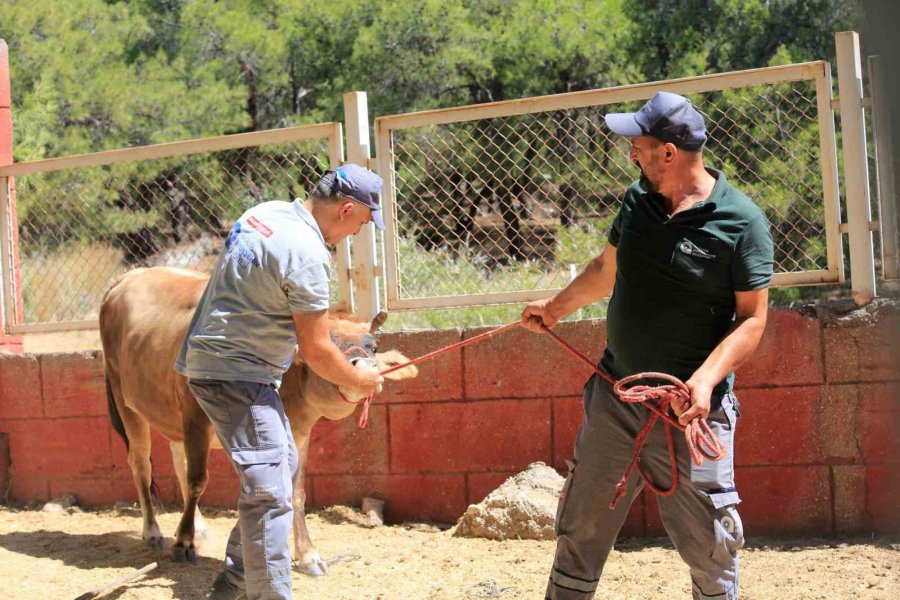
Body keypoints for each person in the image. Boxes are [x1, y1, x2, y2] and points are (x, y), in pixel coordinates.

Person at [522, 91, 774, 600]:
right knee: (580, 526)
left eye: (638, 143)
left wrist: (704, 381)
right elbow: (605, 269)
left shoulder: (741, 222)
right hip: (615, 397)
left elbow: (752, 319)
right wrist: (554, 308)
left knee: (710, 544)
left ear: (669, 152)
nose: (630, 152)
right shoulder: (636, 200)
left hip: (691, 414)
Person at [174, 164, 386, 600]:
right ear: (347, 210)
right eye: (363, 223)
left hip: (211, 361)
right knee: (271, 494)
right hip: (238, 374)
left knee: (280, 470)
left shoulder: (263, 214)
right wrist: (360, 380)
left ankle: (234, 583)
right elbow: (317, 350)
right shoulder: (307, 254)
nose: (357, 233)